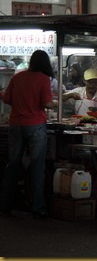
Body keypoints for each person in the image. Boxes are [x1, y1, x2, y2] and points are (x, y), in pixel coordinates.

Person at [0, 50, 57, 218]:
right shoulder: (43, 79)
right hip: (36, 126)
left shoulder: (18, 77)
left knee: (13, 164)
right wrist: (57, 102)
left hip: (16, 125)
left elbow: (6, 99)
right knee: (37, 166)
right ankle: (37, 207)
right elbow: (47, 103)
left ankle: (5, 206)